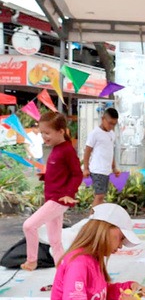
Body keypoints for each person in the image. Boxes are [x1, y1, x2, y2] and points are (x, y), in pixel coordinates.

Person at [21, 112, 82, 271]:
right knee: (55, 242)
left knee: (29, 226)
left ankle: (32, 260)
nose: (43, 137)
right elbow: (61, 172)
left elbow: (77, 174)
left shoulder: (67, 150)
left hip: (58, 200)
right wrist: (46, 176)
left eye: (47, 133)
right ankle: (64, 273)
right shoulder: (56, 149)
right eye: (42, 133)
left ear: (61, 131)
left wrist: (70, 192)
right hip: (53, 199)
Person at [51, 203, 145, 299]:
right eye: (121, 238)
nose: (120, 246)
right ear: (105, 229)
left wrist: (129, 287)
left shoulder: (92, 259)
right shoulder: (79, 263)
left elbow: (102, 293)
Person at [83, 107, 120, 207]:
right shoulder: (95, 133)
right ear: (103, 119)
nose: (111, 126)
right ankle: (92, 218)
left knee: (101, 196)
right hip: (97, 170)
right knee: (99, 196)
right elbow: (87, 151)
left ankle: (96, 217)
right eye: (110, 123)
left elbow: (110, 152)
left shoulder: (112, 134)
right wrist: (85, 168)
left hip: (106, 170)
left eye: (114, 124)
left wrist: (114, 167)